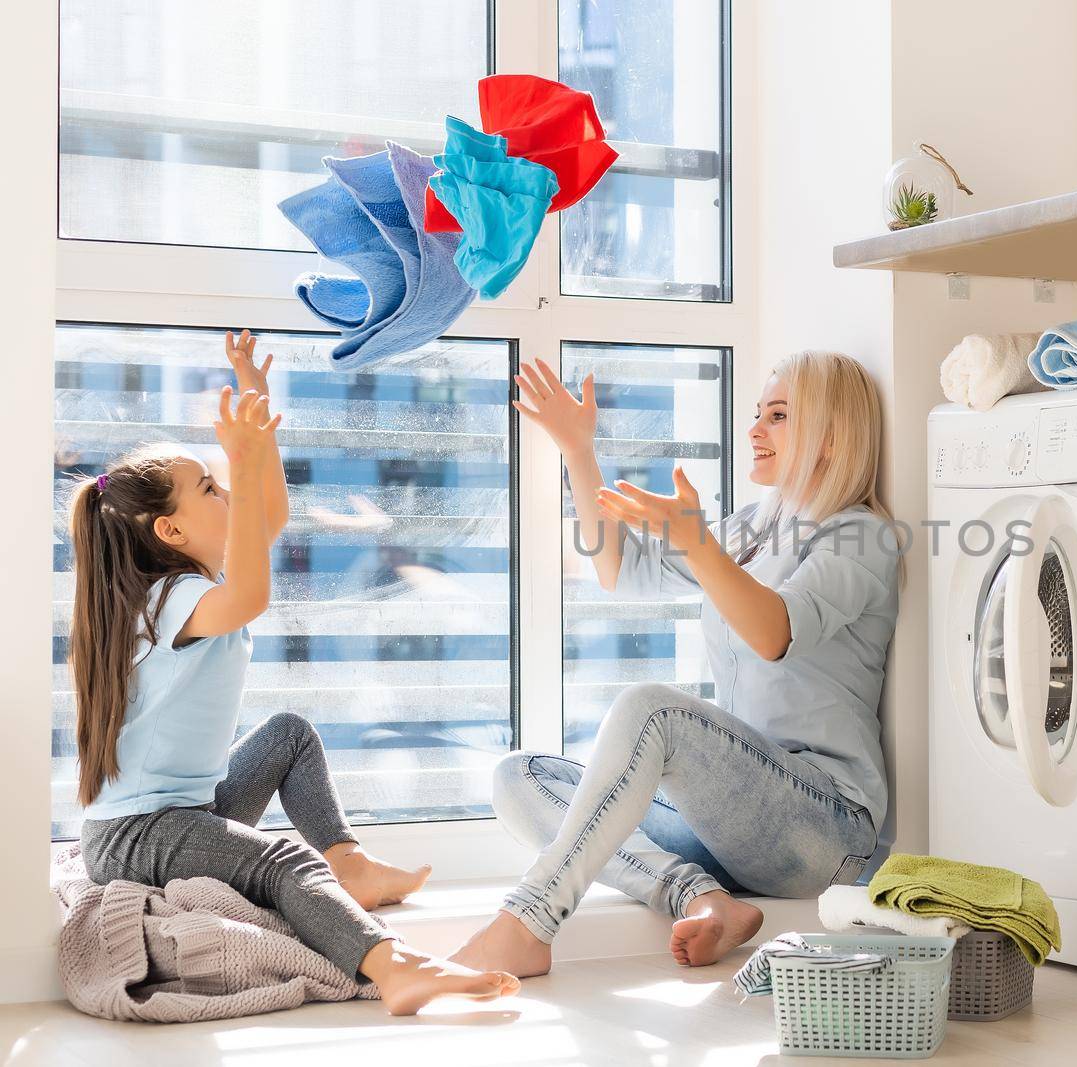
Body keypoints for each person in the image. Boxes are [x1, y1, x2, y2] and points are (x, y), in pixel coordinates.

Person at [70, 331, 520, 1015]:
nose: (227, 494)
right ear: (171, 532)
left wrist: (256, 413)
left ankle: (349, 862)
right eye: (209, 488)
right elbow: (253, 591)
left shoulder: (186, 587)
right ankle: (393, 966)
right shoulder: (175, 599)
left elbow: (269, 514)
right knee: (284, 863)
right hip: (139, 835)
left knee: (288, 733)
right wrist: (244, 464)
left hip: (176, 817)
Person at [453, 350, 901, 978]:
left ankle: (529, 922)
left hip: (826, 834)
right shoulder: (753, 528)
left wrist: (696, 541)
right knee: (518, 777)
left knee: (651, 709)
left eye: (777, 416)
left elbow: (776, 631)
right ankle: (701, 898)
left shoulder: (861, 535)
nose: (754, 430)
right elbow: (621, 571)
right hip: (736, 828)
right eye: (756, 414)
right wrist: (579, 452)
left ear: (831, 436)